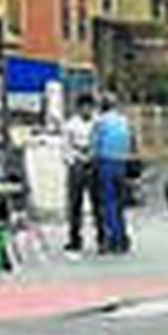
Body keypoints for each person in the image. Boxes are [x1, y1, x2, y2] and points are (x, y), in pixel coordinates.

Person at [92, 93, 135, 254]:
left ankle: (114, 238)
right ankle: (123, 236)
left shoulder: (101, 122)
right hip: (121, 163)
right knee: (119, 203)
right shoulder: (123, 121)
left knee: (108, 203)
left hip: (106, 163)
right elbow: (130, 141)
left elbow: (94, 146)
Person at [62, 93, 100, 253]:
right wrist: (73, 160)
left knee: (97, 203)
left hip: (93, 164)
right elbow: (65, 146)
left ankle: (102, 237)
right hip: (76, 165)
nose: (87, 110)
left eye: (90, 107)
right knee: (74, 204)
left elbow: (99, 142)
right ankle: (74, 238)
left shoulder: (98, 123)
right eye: (84, 107)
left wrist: (93, 156)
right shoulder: (71, 124)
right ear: (79, 108)